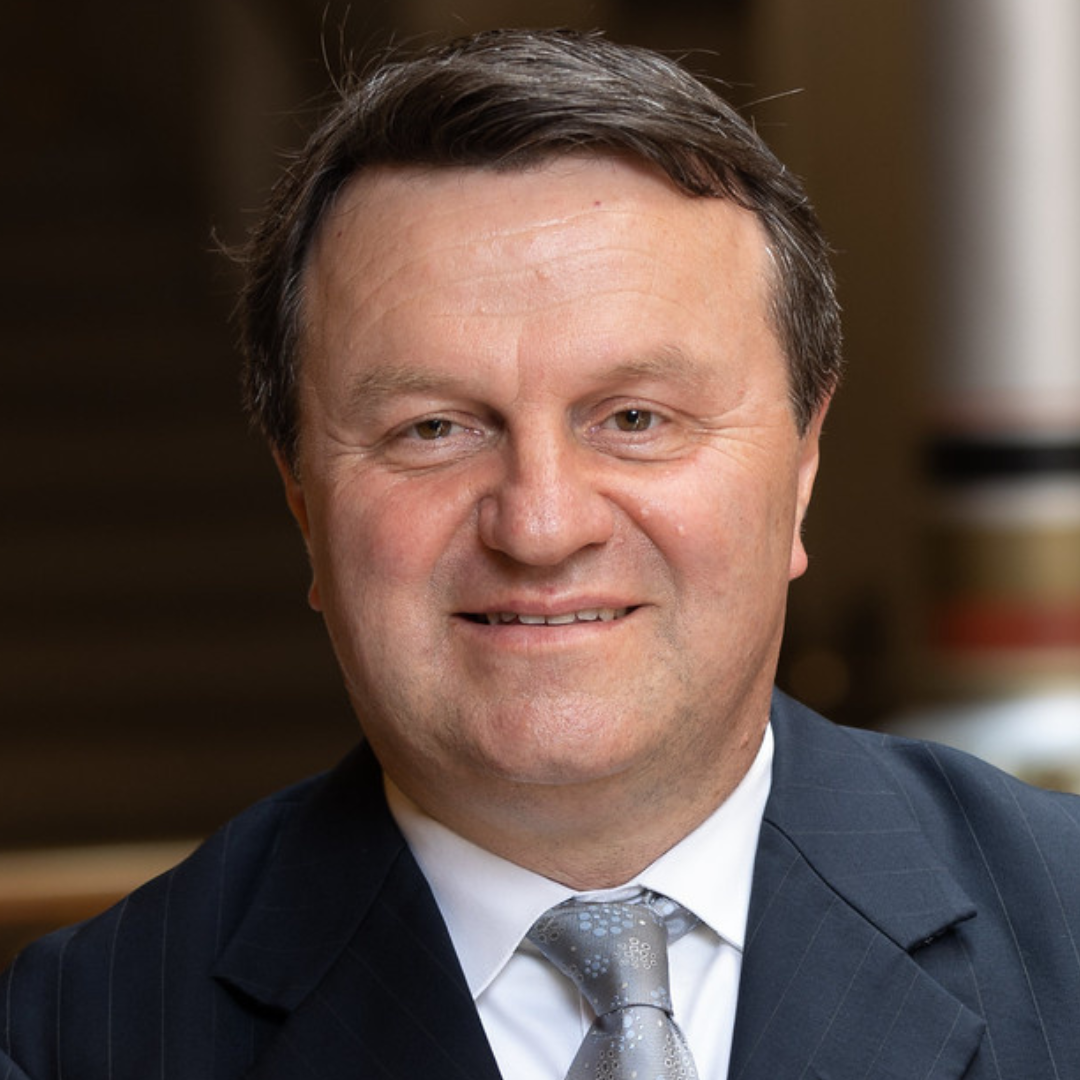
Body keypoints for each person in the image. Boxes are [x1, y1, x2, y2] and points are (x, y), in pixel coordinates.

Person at [3, 27, 1080, 1080]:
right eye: (433, 429)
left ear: (802, 465)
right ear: (302, 502)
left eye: (636, 418)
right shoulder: (75, 1041)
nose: (541, 525)